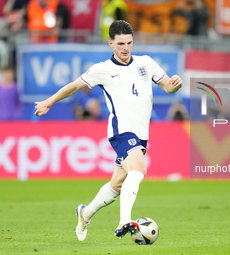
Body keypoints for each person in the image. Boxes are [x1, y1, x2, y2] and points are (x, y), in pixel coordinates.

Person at [34, 20, 183, 241]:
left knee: (117, 185)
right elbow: (74, 86)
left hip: (142, 134)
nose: (126, 48)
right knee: (139, 169)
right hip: (121, 131)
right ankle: (124, 221)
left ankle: (85, 214)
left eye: (129, 43)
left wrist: (175, 85)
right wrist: (49, 101)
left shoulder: (146, 63)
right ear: (111, 43)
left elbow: (168, 87)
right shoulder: (102, 70)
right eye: (121, 43)